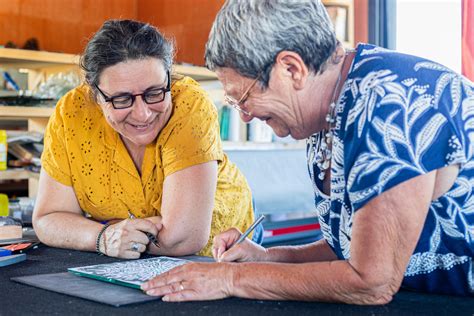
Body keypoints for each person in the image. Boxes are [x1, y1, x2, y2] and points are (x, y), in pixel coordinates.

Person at [141, 0, 474, 304]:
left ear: (291, 69)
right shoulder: (325, 111)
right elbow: (346, 248)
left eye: (243, 98)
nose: (243, 114)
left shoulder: (389, 104)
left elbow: (371, 280)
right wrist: (266, 257)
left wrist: (231, 278)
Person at [33, 19, 261, 259]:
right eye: (121, 99)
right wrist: (104, 237)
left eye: (154, 93)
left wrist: (94, 229)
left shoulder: (190, 104)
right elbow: (48, 220)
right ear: (95, 94)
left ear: (169, 80)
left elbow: (182, 237)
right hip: (126, 256)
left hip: (219, 248)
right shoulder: (71, 112)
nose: (143, 114)